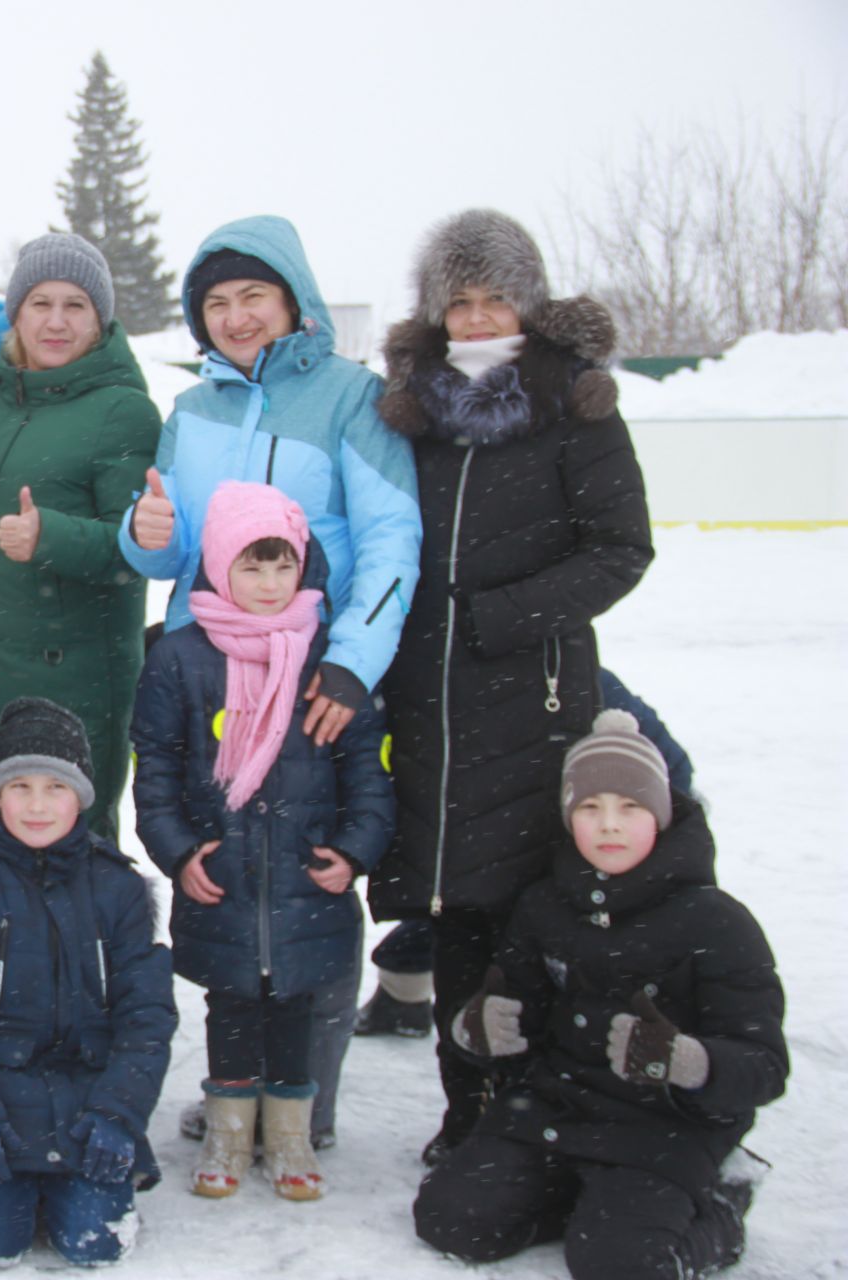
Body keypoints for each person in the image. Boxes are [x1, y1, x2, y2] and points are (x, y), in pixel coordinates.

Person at [119, 216, 420, 1147]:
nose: (237, 316)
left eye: (253, 296)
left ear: (293, 301)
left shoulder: (348, 397)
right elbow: (159, 550)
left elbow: (390, 541)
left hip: (309, 673)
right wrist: (149, 526)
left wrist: (352, 662)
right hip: (207, 670)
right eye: (216, 303)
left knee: (310, 877)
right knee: (223, 872)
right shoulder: (193, 412)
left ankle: (304, 1099)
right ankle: (235, 1083)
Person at [368, 209, 654, 1166]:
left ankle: (535, 1104)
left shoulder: (575, 403)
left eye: (497, 298)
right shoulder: (409, 410)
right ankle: (467, 1106)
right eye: (462, 301)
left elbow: (621, 549)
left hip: (530, 698)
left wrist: (502, 616)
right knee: (450, 908)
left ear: (528, 304)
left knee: (526, 908)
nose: (481, 317)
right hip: (426, 699)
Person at [414, 710, 786, 1279]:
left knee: (623, 1266)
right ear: (568, 819)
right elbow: (517, 1019)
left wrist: (689, 1062)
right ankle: (589, 1206)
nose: (609, 824)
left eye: (630, 807)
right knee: (453, 1220)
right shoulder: (543, 906)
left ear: (660, 815)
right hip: (555, 1110)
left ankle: (719, 1202)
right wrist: (478, 1029)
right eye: (590, 808)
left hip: (663, 1130)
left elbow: (765, 1068)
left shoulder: (717, 922)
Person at [131, 481, 394, 1202]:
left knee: (296, 1004)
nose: (270, 585)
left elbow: (367, 773)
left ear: (303, 566)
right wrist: (181, 851)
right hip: (226, 875)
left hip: (308, 877)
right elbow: (153, 771)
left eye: (283, 567)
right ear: (218, 566)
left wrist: (354, 850)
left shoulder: (330, 661)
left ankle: (288, 1132)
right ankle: (226, 1127)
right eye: (252, 567)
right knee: (233, 1003)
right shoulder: (180, 660)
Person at [0, 697, 176, 1267]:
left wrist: (117, 1115)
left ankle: (75, 1187)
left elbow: (147, 1018)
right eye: (20, 786)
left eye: (55, 788)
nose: (36, 805)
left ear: (80, 796)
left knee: (93, 1247)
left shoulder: (117, 888)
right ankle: (14, 1189)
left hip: (88, 1109)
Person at [0, 234, 161, 841]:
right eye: (41, 303)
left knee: (62, 860)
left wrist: (51, 539)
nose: (57, 322)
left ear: (101, 318)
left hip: (70, 683)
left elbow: (138, 551)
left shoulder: (124, 410)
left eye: (76, 306)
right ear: (16, 313)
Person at [355, 668, 699, 1040]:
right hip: (489, 827)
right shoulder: (426, 674)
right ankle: (405, 989)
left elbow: (671, 768)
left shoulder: (566, 674)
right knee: (457, 884)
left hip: (589, 822)